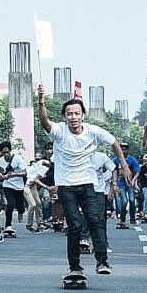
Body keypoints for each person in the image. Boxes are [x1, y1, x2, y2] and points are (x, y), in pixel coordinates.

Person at [37, 83, 132, 278]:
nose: (73, 117)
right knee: (74, 225)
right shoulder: (59, 131)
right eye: (69, 114)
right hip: (66, 186)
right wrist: (41, 101)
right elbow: (45, 122)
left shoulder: (93, 131)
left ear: (83, 115)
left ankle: (102, 261)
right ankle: (74, 266)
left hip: (88, 185)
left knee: (95, 220)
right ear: (65, 117)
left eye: (76, 113)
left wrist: (123, 165)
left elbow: (114, 142)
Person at [0, 142, 28, 235]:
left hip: (18, 186)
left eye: (7, 152)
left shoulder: (18, 159)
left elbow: (25, 173)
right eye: (3, 153)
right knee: (10, 204)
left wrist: (15, 174)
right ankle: (8, 225)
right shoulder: (0, 161)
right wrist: (1, 176)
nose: (6, 154)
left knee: (20, 207)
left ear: (10, 150)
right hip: (8, 185)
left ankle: (21, 212)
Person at [114, 142, 140, 227]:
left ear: (128, 150)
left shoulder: (132, 160)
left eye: (125, 149)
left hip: (129, 183)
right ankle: (122, 219)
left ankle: (132, 218)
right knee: (124, 201)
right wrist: (114, 183)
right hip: (120, 183)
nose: (124, 151)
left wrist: (134, 181)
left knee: (132, 200)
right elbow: (112, 170)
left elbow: (137, 171)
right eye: (122, 149)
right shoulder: (116, 160)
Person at [25, 155, 51, 232]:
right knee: (33, 205)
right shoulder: (44, 167)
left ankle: (39, 223)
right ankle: (29, 224)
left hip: (33, 186)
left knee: (38, 204)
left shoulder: (39, 165)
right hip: (27, 186)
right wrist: (47, 187)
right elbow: (36, 179)